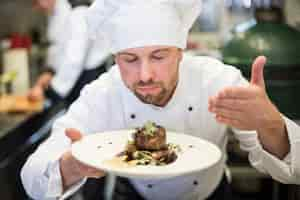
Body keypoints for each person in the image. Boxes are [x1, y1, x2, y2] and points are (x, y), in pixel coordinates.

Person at [21, 0, 300, 200]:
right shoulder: (103, 92)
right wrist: (70, 165)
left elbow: (295, 171)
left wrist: (270, 123)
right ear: (115, 59)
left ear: (181, 52)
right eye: (129, 60)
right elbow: (32, 178)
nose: (145, 75)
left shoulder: (217, 81)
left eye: (159, 56)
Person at [29, 0, 110, 105]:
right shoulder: (55, 11)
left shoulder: (79, 10)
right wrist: (50, 71)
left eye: (37, 1)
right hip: (73, 78)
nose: (37, 7)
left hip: (88, 78)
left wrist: (51, 92)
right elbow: (58, 47)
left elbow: (75, 58)